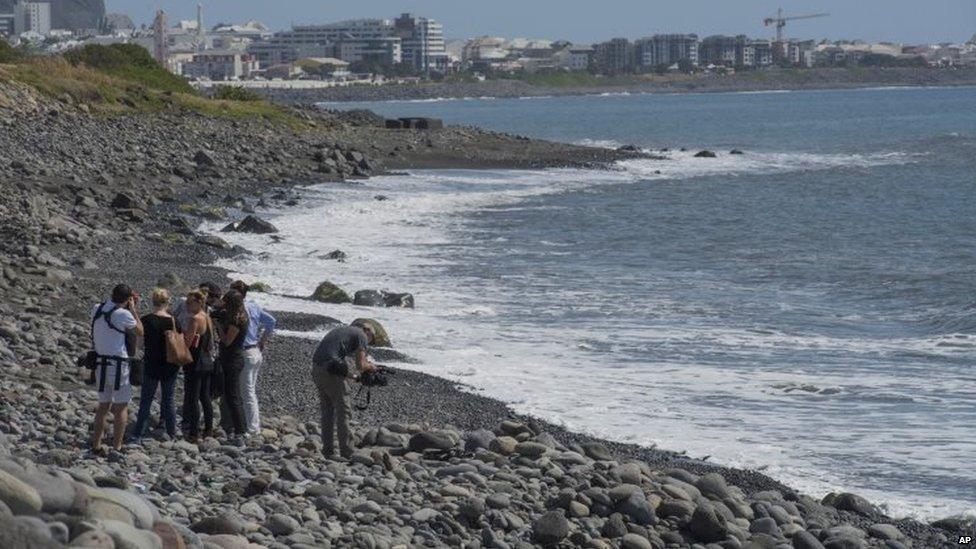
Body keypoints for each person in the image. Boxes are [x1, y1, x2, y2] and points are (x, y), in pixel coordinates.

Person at [90, 284, 144, 454]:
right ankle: (117, 446)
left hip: (99, 363)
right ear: (128, 299)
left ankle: (96, 444)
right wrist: (133, 309)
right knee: (121, 407)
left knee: (103, 406)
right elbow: (140, 330)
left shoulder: (97, 308)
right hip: (118, 365)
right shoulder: (123, 314)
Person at [312, 322, 376, 459]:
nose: (369, 343)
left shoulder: (343, 331)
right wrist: (372, 367)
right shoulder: (361, 336)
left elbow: (337, 365)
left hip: (317, 369)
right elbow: (361, 365)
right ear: (368, 332)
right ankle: (347, 452)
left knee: (327, 412)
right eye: (372, 339)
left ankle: (328, 450)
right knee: (344, 412)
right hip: (330, 370)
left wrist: (354, 377)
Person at [131, 289, 182, 440]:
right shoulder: (173, 320)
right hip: (170, 363)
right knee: (168, 398)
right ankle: (172, 432)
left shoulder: (146, 320)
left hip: (152, 362)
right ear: (168, 302)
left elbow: (139, 344)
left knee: (146, 399)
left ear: (152, 301)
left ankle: (138, 433)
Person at [229, 280, 277, 435]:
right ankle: (250, 423)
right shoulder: (254, 305)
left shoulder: (239, 309)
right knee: (250, 391)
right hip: (256, 350)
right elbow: (271, 321)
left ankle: (252, 428)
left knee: (246, 392)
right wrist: (263, 340)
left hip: (245, 352)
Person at [182, 290, 216, 442]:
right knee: (205, 397)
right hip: (207, 360)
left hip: (195, 362)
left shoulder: (195, 319)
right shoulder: (207, 317)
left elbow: (187, 343)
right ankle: (209, 428)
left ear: (198, 302)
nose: (187, 306)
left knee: (193, 397)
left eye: (189, 303)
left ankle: (194, 433)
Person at [214, 290, 249, 438]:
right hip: (234, 358)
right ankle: (239, 428)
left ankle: (240, 431)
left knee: (233, 395)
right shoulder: (241, 315)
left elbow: (227, 341)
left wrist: (218, 326)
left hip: (233, 359)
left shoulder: (236, 320)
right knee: (233, 395)